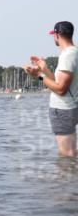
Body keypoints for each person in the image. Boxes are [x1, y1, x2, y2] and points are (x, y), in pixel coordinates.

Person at [24, 21, 77, 158]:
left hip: (63, 110)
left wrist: (39, 76)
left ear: (57, 35)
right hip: (70, 108)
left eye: (54, 35)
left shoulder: (68, 56)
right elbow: (58, 82)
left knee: (66, 155)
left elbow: (61, 89)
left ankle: (64, 179)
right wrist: (44, 68)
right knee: (70, 153)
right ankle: (69, 178)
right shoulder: (73, 53)